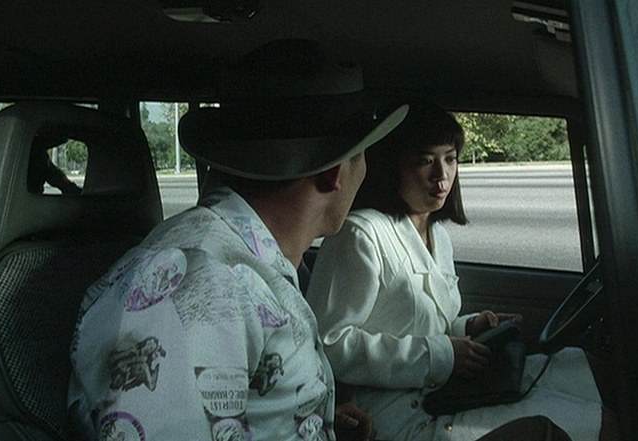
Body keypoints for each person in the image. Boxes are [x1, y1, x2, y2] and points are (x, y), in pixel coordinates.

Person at [68, 39, 408, 441]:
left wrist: (308, 419)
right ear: (333, 173)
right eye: (362, 153)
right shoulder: (199, 282)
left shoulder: (246, 267)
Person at [306, 99, 605, 441]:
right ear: (393, 167)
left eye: (450, 159)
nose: (441, 174)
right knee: (595, 422)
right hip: (400, 411)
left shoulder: (439, 236)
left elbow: (426, 323)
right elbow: (329, 346)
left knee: (581, 368)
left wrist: (469, 326)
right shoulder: (361, 235)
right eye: (425, 161)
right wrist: (442, 355)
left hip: (447, 388)